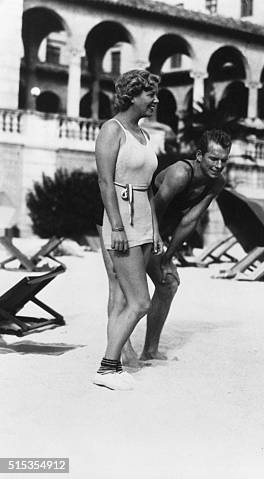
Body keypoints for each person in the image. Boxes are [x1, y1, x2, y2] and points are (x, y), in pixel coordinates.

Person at [96, 130, 231, 362]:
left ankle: (150, 350)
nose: (219, 165)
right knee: (121, 286)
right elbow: (152, 210)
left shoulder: (216, 183)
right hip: (126, 221)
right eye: (213, 158)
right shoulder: (180, 173)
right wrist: (152, 249)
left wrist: (168, 257)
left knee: (168, 284)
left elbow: (190, 219)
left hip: (153, 231)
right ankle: (122, 353)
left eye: (223, 160)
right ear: (199, 155)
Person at [94, 69, 162, 390]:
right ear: (132, 96)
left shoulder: (144, 135)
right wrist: (117, 228)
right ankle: (107, 367)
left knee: (123, 298)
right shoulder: (112, 130)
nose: (155, 100)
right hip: (122, 221)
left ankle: (117, 361)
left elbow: (147, 187)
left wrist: (157, 231)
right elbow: (106, 182)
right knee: (141, 302)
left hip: (145, 223)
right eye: (149, 94)